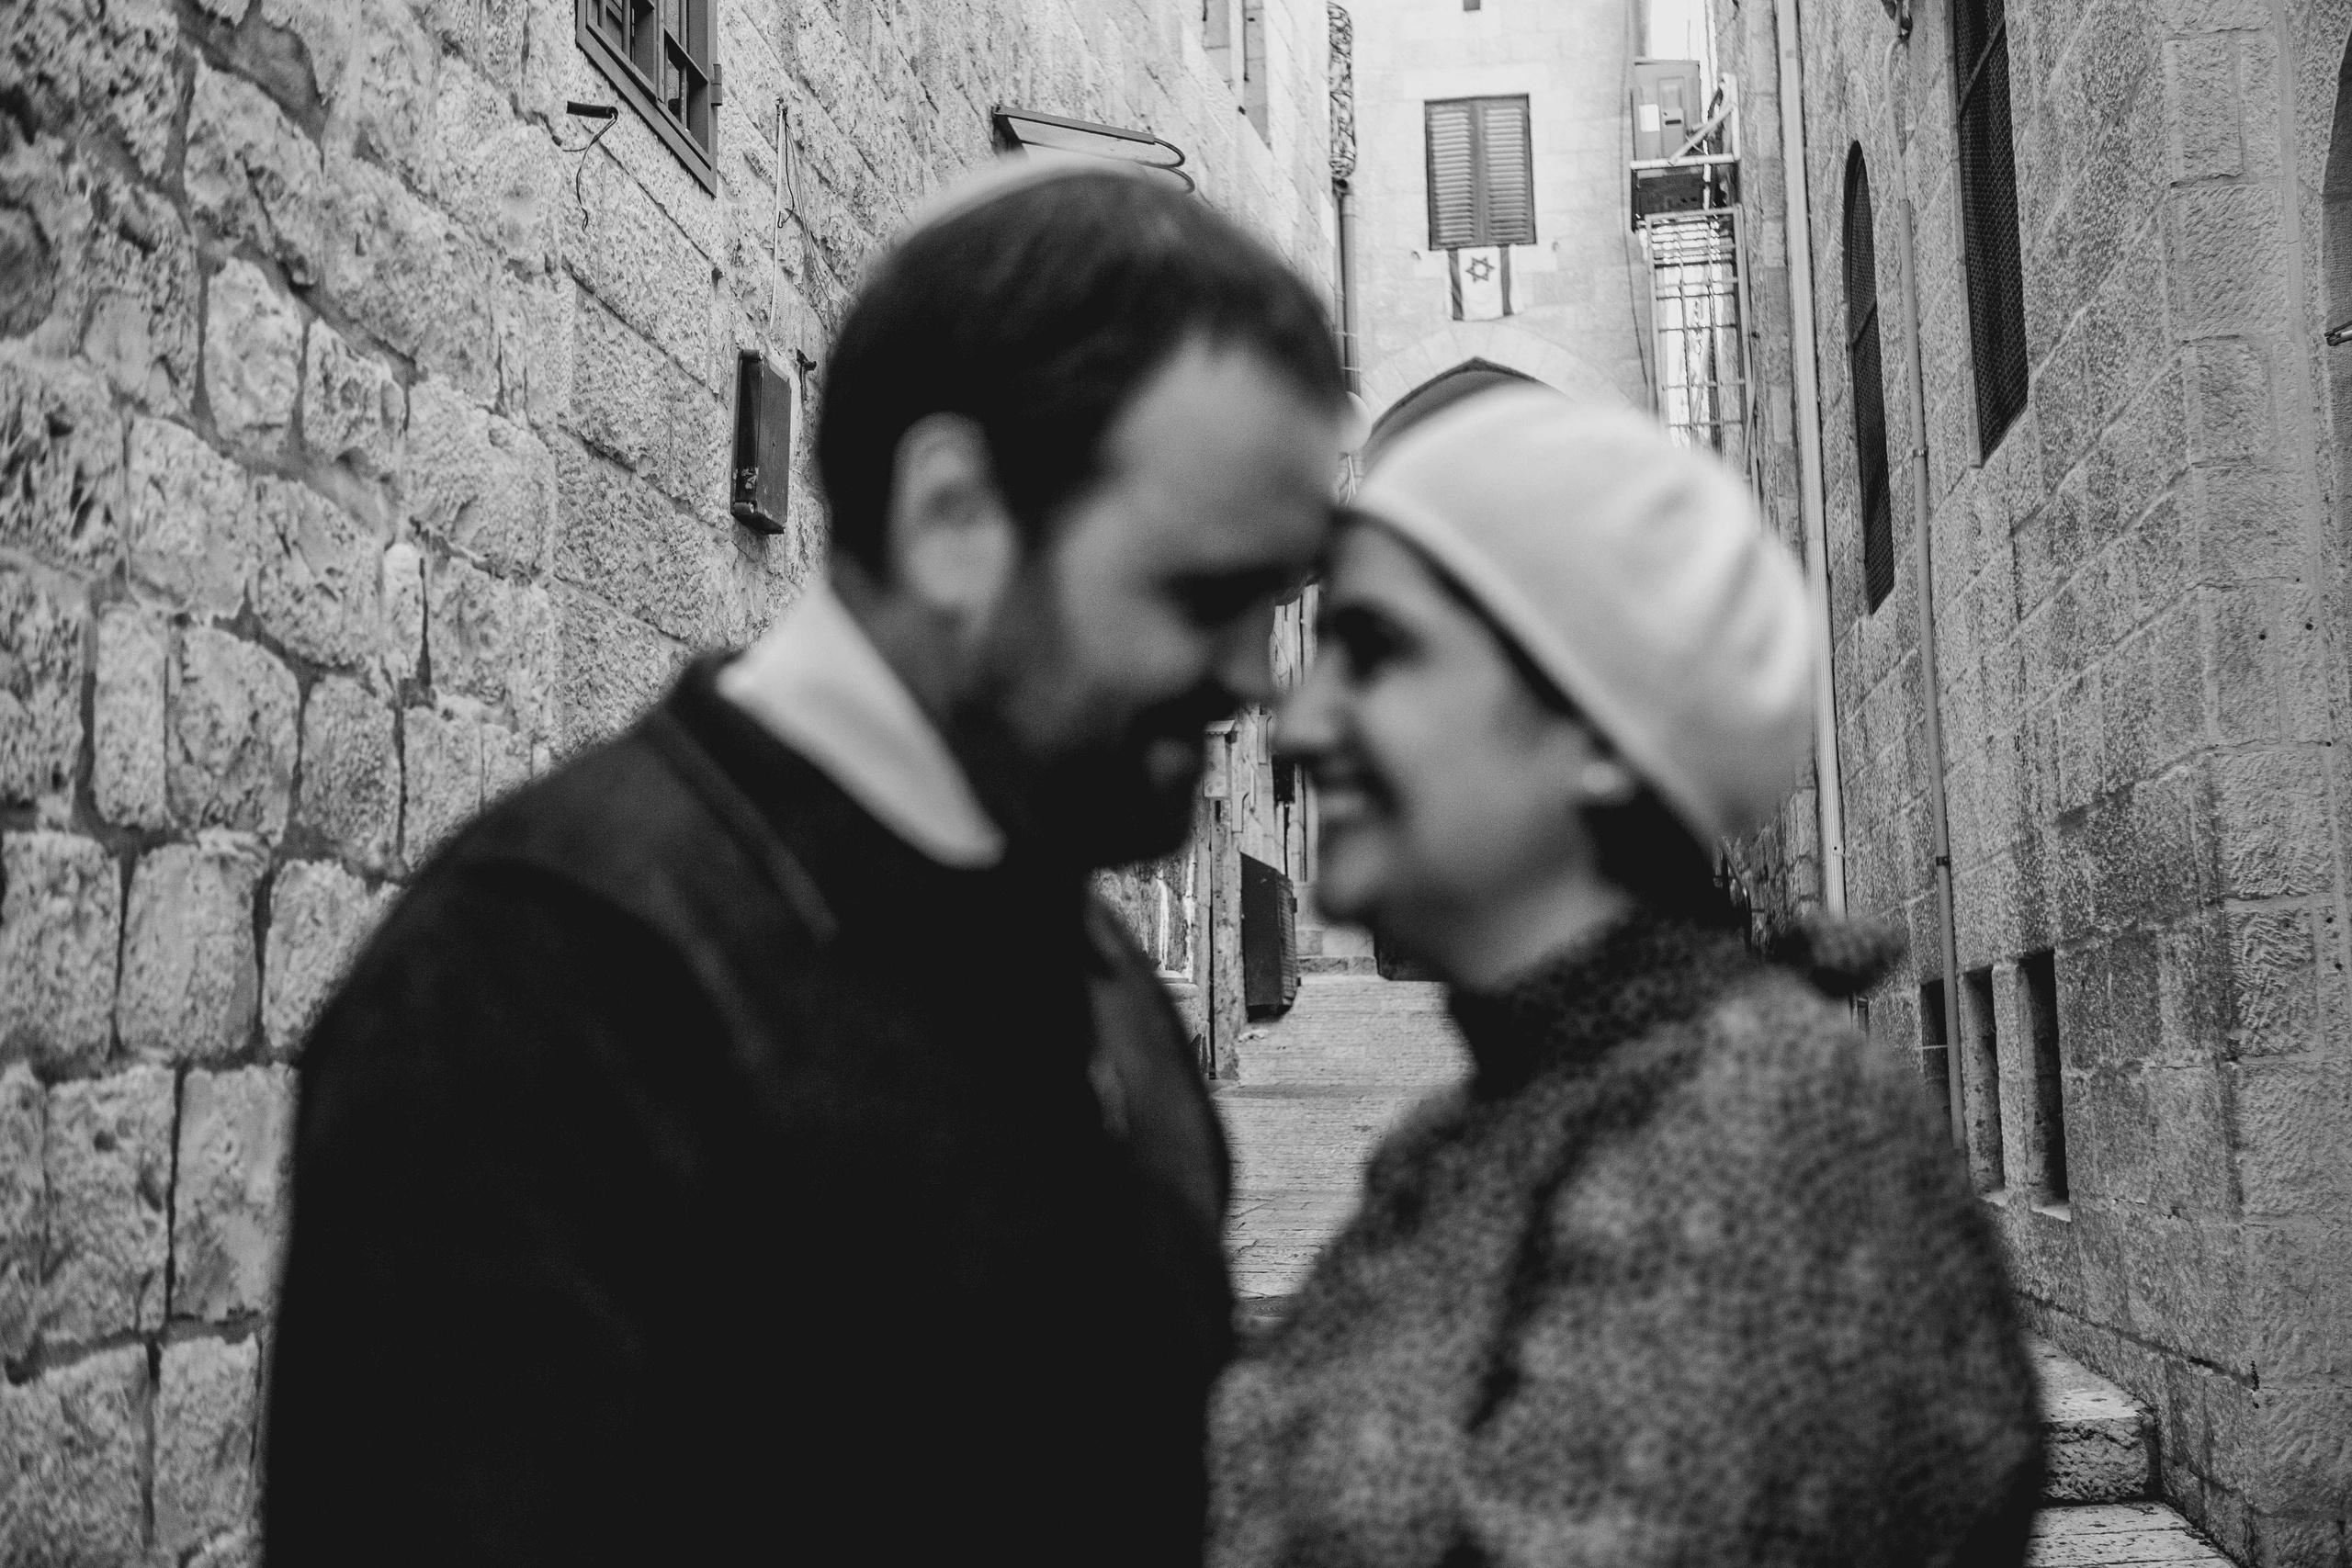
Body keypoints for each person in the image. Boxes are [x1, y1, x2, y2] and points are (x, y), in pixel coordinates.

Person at [266, 159, 1349, 1567]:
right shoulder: (548, 978)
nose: (1247, 686)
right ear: (957, 514)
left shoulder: (1101, 987)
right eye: (1204, 593)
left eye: (1274, 606)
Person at [1212, 389, 2042, 1568]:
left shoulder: (1755, 1137)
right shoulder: (1504, 1119)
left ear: (1598, 734)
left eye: (1379, 652)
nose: (1299, 726)